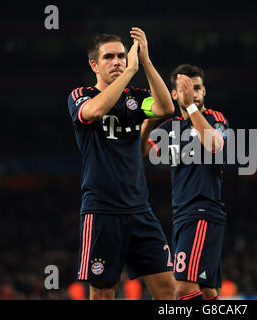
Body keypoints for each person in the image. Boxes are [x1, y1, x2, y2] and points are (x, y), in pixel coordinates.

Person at [67, 28, 175, 300]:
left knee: (167, 288)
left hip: (140, 210)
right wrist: (128, 72)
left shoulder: (136, 99)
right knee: (104, 292)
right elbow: (95, 111)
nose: (117, 61)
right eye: (109, 57)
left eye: (121, 56)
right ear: (94, 64)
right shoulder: (81, 94)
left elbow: (166, 108)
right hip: (102, 211)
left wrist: (146, 62)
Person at [141, 64, 229, 300]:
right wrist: (149, 122)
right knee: (207, 290)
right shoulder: (169, 127)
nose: (194, 93)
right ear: (174, 94)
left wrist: (190, 106)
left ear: (204, 91)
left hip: (203, 209)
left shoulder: (215, 119)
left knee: (182, 288)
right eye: (186, 89)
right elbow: (141, 152)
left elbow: (214, 146)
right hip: (182, 213)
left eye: (197, 88)